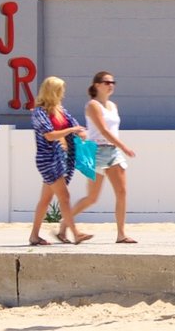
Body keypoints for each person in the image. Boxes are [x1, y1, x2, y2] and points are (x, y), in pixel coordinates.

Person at [67, 70, 138, 243]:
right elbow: (104, 130)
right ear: (97, 85)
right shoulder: (92, 105)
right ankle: (64, 223)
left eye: (113, 82)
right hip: (96, 152)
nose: (111, 85)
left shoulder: (113, 106)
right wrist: (125, 147)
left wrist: (119, 148)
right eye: (107, 82)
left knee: (121, 192)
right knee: (92, 198)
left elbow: (112, 130)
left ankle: (121, 234)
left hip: (113, 152)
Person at [26, 75, 88, 246]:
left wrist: (79, 132)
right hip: (48, 159)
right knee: (64, 196)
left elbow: (73, 124)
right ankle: (75, 233)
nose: (63, 93)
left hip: (62, 159)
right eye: (60, 90)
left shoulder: (60, 110)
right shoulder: (40, 112)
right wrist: (72, 130)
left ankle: (34, 236)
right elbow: (49, 135)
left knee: (45, 200)